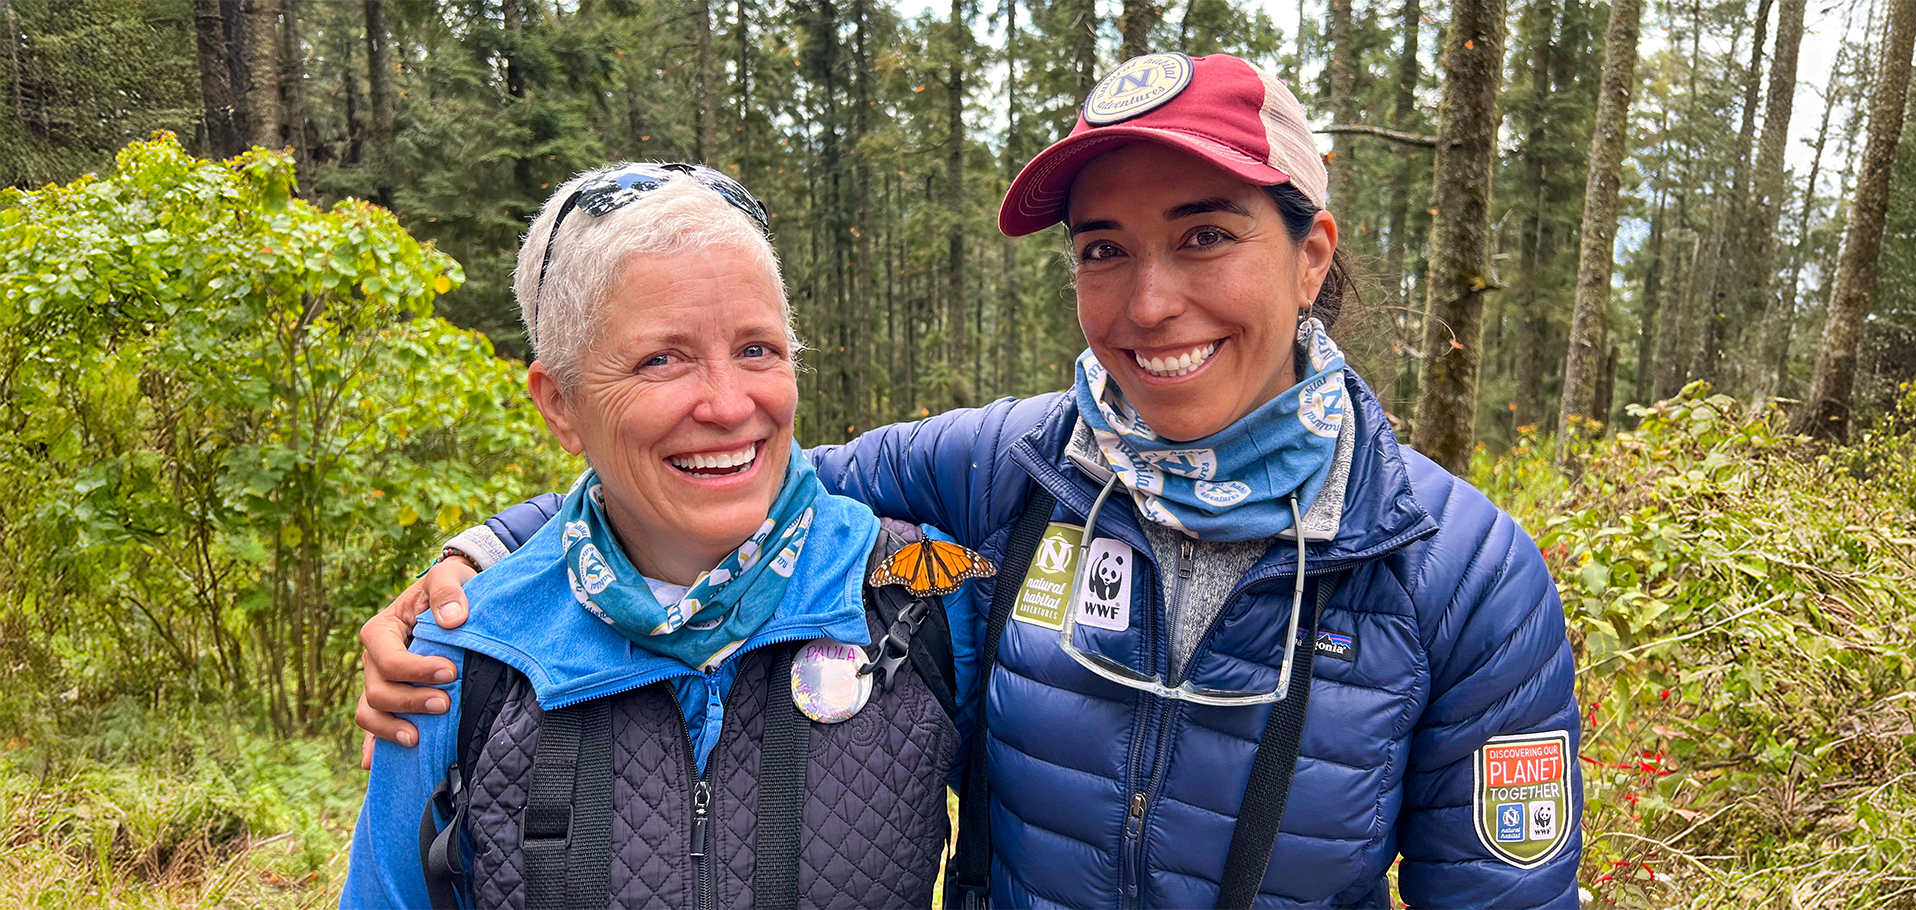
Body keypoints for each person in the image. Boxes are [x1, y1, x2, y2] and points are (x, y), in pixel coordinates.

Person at [359, 53, 1583, 908]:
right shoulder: (1016, 471)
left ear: (1311, 254)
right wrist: (486, 561)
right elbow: (740, 484)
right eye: (1104, 249)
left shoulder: (1459, 576)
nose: (1151, 301)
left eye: (1206, 235)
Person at [341, 164, 967, 909]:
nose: (728, 405)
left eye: (757, 349)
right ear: (561, 404)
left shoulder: (920, 601)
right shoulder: (462, 658)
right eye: (660, 360)